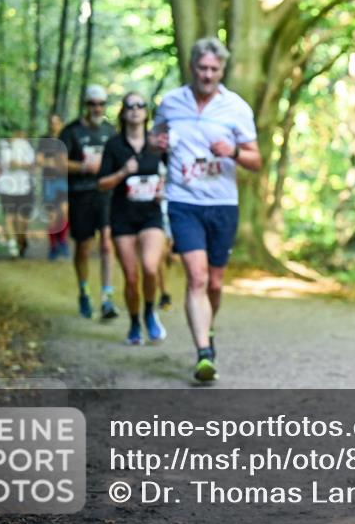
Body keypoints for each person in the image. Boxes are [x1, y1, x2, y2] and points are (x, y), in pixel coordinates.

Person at [152, 37, 261, 383]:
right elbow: (154, 143)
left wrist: (232, 152)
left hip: (222, 204)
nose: (208, 75)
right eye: (202, 68)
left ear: (222, 70)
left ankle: (208, 329)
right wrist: (159, 145)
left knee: (214, 282)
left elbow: (256, 161)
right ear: (192, 67)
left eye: (214, 69)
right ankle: (203, 353)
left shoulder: (237, 108)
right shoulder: (170, 103)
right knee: (196, 277)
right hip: (184, 200)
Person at [98, 92, 168, 345]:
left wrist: (163, 190)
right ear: (124, 113)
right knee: (131, 276)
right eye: (131, 106)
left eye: (141, 106)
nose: (136, 110)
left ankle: (150, 312)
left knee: (150, 267)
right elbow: (102, 184)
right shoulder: (114, 145)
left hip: (151, 216)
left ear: (146, 113)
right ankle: (134, 321)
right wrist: (122, 173)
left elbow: (173, 174)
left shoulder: (157, 144)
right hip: (123, 218)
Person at [59, 85, 120, 320]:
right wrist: (84, 166)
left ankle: (107, 297)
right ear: (86, 105)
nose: (97, 108)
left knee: (106, 243)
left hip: (106, 195)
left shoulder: (110, 131)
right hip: (80, 194)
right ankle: (84, 291)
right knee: (84, 247)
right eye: (93, 104)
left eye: (101, 104)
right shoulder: (71, 132)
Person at [0, 131, 36, 258]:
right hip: (7, 188)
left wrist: (21, 164)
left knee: (21, 220)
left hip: (24, 187)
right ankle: (12, 246)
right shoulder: (3, 146)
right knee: (9, 217)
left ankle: (21, 242)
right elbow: (10, 164)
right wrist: (23, 164)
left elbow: (32, 164)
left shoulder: (25, 145)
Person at [39, 113, 70, 260]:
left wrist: (57, 163)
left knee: (64, 211)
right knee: (52, 214)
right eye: (51, 122)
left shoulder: (67, 138)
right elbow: (39, 160)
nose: (54, 125)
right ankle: (53, 247)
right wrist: (52, 163)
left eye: (56, 122)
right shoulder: (44, 139)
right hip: (49, 180)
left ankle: (62, 240)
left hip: (64, 179)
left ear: (61, 123)